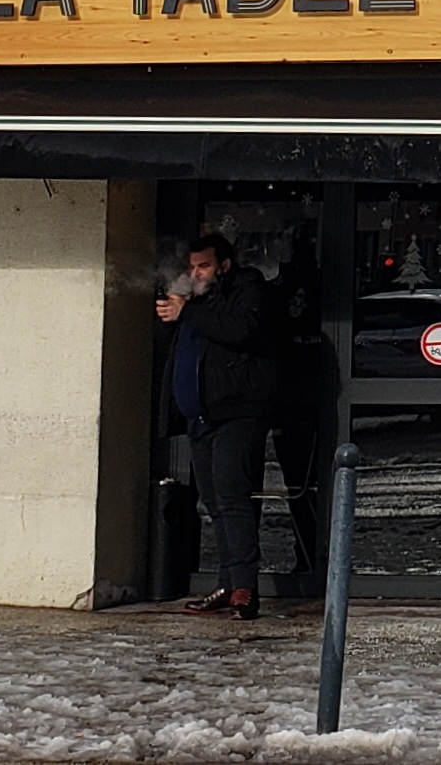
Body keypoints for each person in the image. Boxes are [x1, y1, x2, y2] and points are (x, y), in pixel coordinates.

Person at [158, 234, 280, 620]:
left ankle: (245, 587)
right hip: (202, 418)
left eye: (204, 266)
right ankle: (228, 582)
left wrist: (188, 312)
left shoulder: (248, 290)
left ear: (224, 266)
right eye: (192, 267)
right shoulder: (195, 301)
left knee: (232, 497)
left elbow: (241, 331)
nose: (196, 273)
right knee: (213, 502)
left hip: (237, 414)